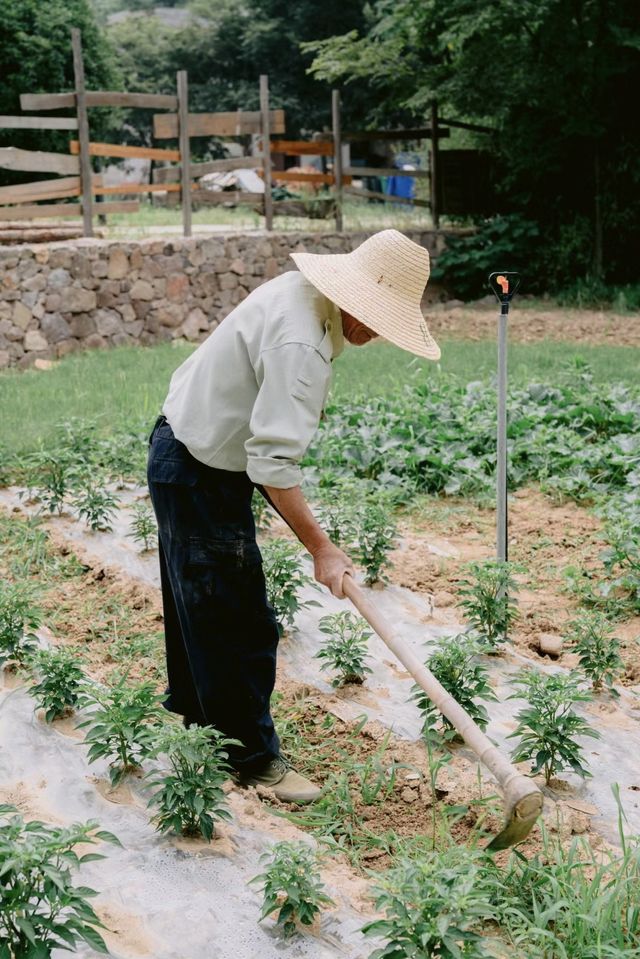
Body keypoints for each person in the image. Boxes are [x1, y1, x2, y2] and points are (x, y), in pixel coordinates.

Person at [147, 228, 440, 803]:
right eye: (377, 317)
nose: (376, 333)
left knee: (201, 610)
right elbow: (273, 463)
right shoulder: (302, 342)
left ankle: (201, 734)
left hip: (188, 449)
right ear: (352, 297)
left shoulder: (296, 291)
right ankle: (252, 763)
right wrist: (323, 549)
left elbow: (264, 454)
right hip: (200, 468)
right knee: (239, 622)